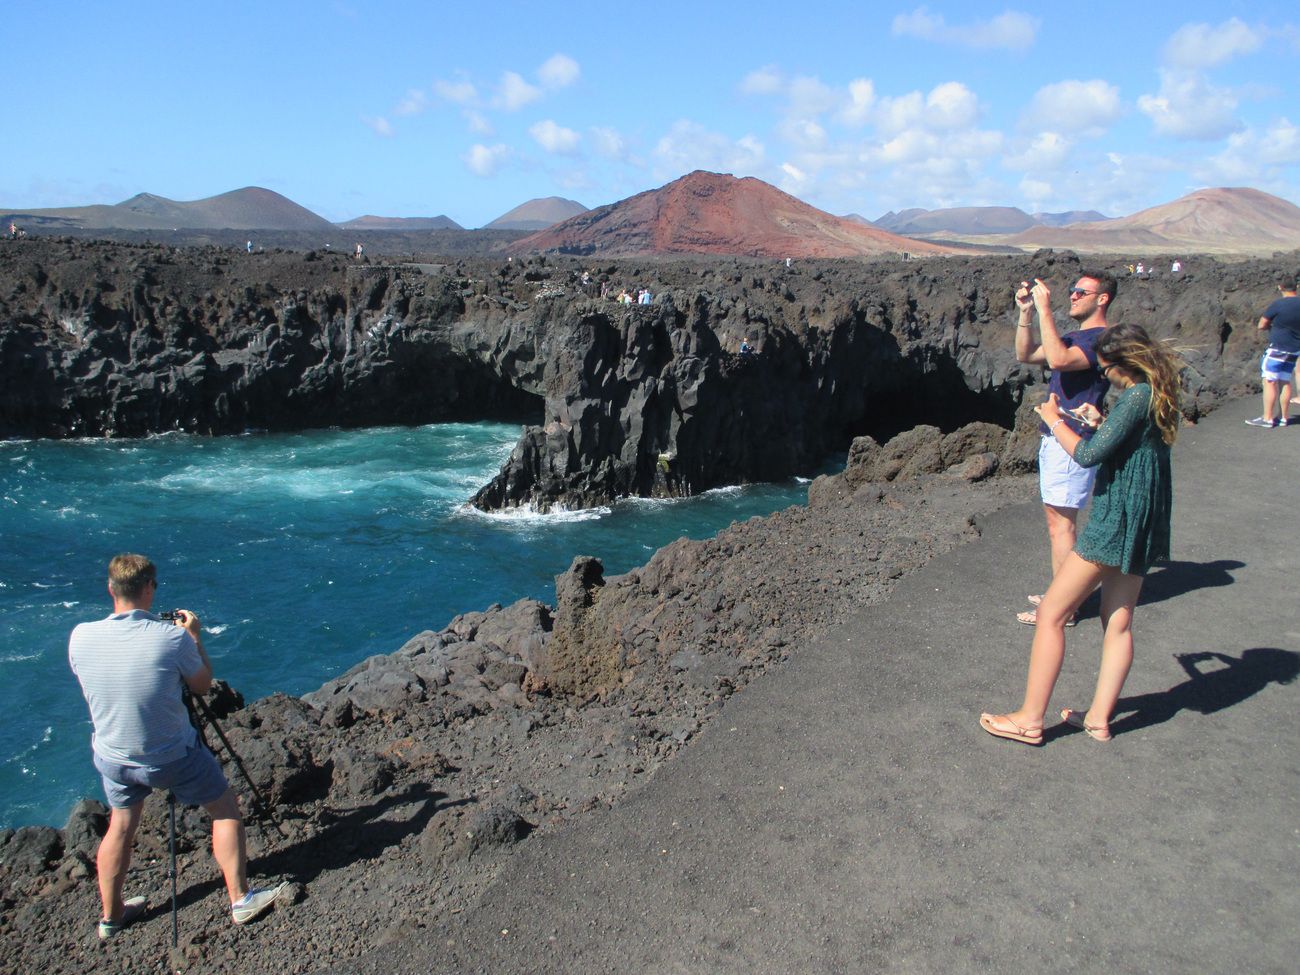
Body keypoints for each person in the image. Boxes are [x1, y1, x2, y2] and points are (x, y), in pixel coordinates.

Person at [981, 322, 1183, 745]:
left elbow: (1089, 455)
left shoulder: (1134, 396)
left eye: (1106, 369)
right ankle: (1098, 720)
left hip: (1116, 521)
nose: (1104, 376)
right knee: (1119, 622)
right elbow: (1129, 441)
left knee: (1052, 614)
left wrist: (1054, 421)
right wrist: (1102, 419)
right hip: (1144, 522)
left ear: (1124, 364)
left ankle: (1030, 720)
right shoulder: (1156, 392)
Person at [68, 555, 286, 939]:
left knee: (120, 826)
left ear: (110, 589)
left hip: (114, 756)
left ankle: (112, 916)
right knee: (225, 810)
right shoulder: (170, 637)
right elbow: (202, 685)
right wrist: (194, 637)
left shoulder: (80, 636)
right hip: (171, 756)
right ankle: (240, 899)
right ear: (149, 588)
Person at [1013, 271, 1116, 625]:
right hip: (1057, 437)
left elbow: (1058, 360)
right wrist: (1027, 313)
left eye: (1080, 292)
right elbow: (1026, 353)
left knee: (1062, 526)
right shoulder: (1077, 336)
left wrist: (1045, 310)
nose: (1072, 296)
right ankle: (1062, 592)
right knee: (1057, 522)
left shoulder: (1100, 340)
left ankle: (1064, 609)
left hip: (1072, 440)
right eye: (1072, 291)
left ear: (1102, 298)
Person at [1245, 278, 1300, 428]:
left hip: (1277, 349)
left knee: (1269, 381)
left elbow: (1262, 324)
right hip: (1294, 350)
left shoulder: (1279, 304)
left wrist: (1271, 327)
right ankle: (1283, 417)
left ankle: (1267, 418)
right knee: (1285, 381)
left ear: (1280, 287)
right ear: (1296, 287)